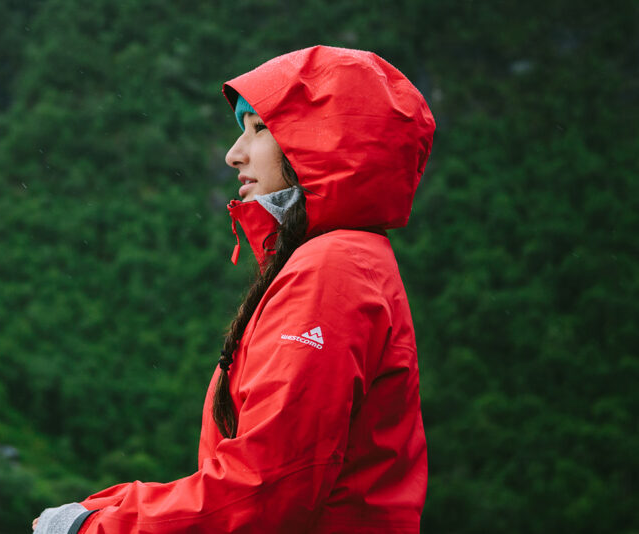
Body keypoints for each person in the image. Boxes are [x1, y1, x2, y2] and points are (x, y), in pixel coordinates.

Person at [33, 45, 435, 533]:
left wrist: (95, 528)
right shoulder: (349, 260)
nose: (233, 154)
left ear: (324, 140)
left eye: (260, 128)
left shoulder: (330, 273)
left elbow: (268, 490)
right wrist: (110, 507)